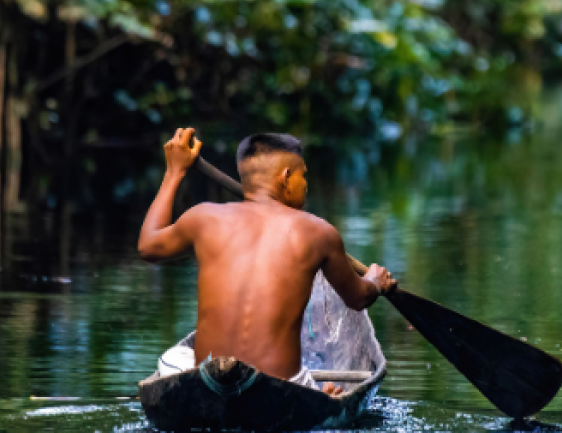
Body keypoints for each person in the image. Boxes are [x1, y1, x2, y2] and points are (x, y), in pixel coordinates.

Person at [137, 128, 397, 395]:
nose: (306, 185)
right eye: (303, 175)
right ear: (286, 177)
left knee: (176, 357)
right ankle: (317, 395)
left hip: (208, 381)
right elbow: (358, 298)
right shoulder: (319, 232)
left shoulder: (203, 217)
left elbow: (148, 247)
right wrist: (374, 282)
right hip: (282, 387)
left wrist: (174, 172)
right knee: (310, 387)